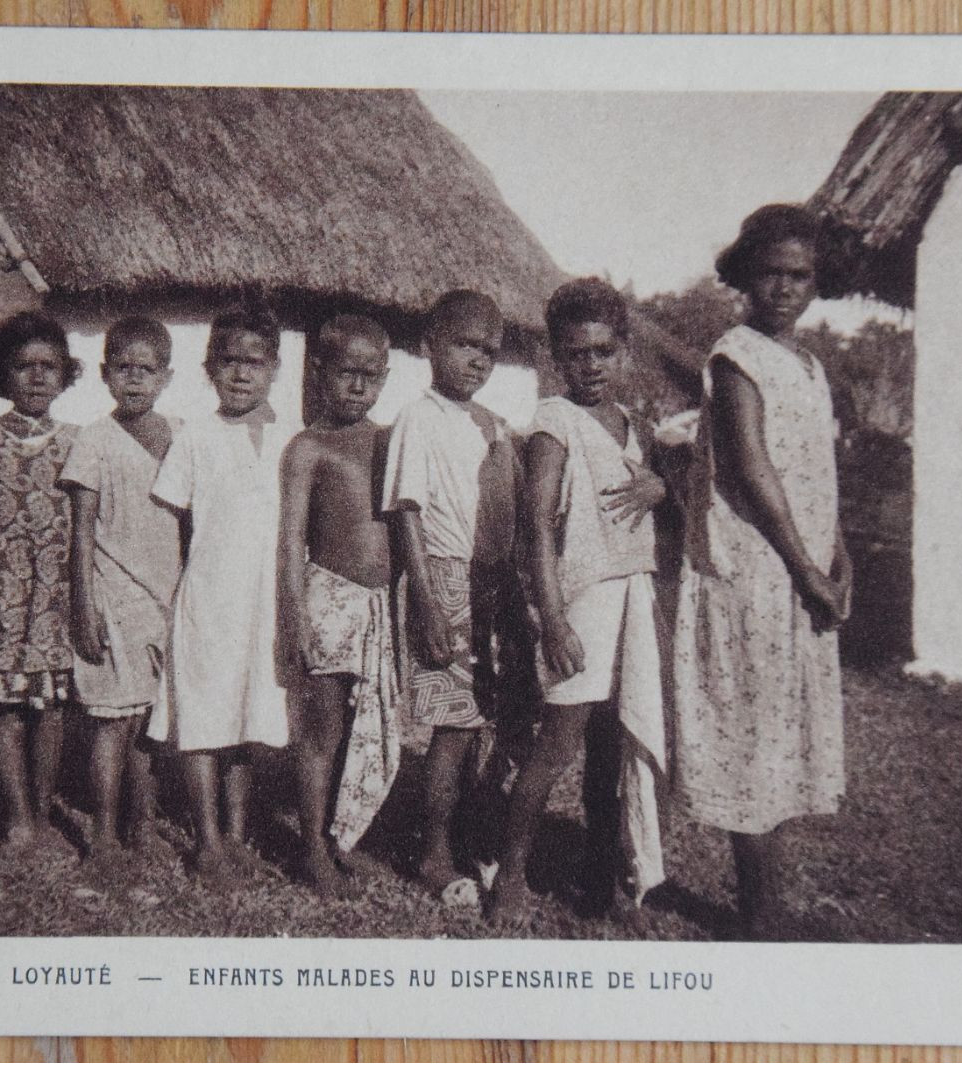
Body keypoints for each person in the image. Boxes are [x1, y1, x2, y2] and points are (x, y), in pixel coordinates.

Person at [672, 204, 852, 939]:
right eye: (769, 272)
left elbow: (817, 472)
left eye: (798, 275)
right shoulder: (735, 355)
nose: (783, 287)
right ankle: (756, 914)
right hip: (753, 571)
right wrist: (805, 565)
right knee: (752, 734)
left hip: (800, 569)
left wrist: (837, 553)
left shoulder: (807, 365)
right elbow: (750, 468)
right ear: (744, 274)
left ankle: (768, 906)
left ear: (816, 282)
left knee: (781, 734)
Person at [487, 279, 669, 923]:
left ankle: (600, 880)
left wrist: (660, 487)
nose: (590, 366)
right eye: (575, 354)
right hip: (582, 599)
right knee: (556, 743)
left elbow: (664, 486)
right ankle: (507, 875)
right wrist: (555, 620)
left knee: (612, 749)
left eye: (602, 352)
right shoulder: (554, 422)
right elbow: (535, 524)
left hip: (632, 599)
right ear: (557, 359)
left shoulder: (635, 427)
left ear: (623, 353)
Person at [382, 289, 526, 899]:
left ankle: (469, 833)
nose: (478, 359)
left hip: (491, 579)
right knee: (452, 725)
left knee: (482, 723)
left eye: (489, 351)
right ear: (429, 347)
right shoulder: (419, 417)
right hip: (443, 576)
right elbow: (406, 512)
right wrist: (427, 604)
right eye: (465, 345)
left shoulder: (492, 424)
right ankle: (434, 852)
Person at [149, 306, 295, 881]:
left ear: (274, 369)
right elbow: (175, 530)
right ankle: (206, 840)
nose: (240, 374)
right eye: (227, 362)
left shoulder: (292, 438)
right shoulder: (194, 438)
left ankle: (236, 833)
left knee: (249, 717)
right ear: (209, 368)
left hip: (268, 605)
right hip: (210, 600)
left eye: (253, 362)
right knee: (205, 717)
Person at [0, 311, 81, 846]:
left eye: (49, 366)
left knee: (48, 711)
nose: (37, 377)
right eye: (24, 366)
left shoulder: (75, 440)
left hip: (55, 600)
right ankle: (17, 812)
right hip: (2, 592)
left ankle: (43, 810)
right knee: (5, 709)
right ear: (3, 373)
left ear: (65, 374)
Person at [277, 313, 399, 896]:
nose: (357, 386)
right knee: (322, 731)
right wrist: (296, 615)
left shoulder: (389, 441)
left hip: (380, 607)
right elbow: (291, 536)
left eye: (370, 375)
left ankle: (336, 833)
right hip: (329, 596)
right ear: (320, 373)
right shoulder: (308, 447)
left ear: (385, 376)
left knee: (361, 729)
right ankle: (310, 851)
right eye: (346, 373)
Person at [61, 316, 180, 863]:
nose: (134, 380)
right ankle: (104, 830)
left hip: (167, 600)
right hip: (113, 595)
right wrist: (83, 607)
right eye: (123, 369)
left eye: (147, 370)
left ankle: (143, 821)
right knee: (113, 720)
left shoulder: (180, 435)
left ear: (167, 377)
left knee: (150, 724)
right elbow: (81, 532)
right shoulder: (95, 440)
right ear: (106, 374)